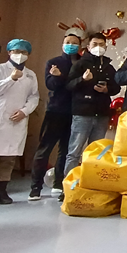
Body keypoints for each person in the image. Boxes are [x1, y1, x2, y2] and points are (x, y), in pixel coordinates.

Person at [0, 39, 39, 207]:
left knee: (9, 157)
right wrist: (11, 79)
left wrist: (24, 111)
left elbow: (34, 96)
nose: (20, 55)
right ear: (9, 52)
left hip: (17, 119)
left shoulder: (31, 74)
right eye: (16, 51)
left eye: (24, 52)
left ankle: (1, 190)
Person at [63, 33, 120, 196]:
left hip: (101, 113)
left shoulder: (108, 66)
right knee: (74, 151)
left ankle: (92, 186)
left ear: (106, 47)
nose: (98, 47)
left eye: (102, 44)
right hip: (82, 113)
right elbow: (68, 85)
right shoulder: (80, 64)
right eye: (95, 44)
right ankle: (69, 187)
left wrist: (107, 89)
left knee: (96, 153)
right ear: (88, 47)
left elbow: (116, 87)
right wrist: (83, 79)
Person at [28, 33, 81, 201]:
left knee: (66, 150)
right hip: (55, 111)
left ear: (80, 46)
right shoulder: (53, 62)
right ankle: (35, 187)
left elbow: (80, 86)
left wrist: (61, 77)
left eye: (74, 42)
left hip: (75, 112)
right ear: (62, 44)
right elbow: (50, 85)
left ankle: (58, 184)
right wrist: (57, 77)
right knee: (45, 148)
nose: (71, 45)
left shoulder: (82, 63)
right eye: (68, 42)